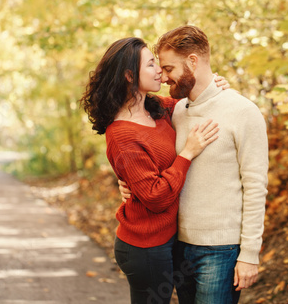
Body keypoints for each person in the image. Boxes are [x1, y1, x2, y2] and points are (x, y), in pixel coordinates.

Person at [120, 26, 269, 304]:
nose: (162, 77)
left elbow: (255, 188)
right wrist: (129, 183)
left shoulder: (243, 112)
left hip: (221, 250)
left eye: (168, 68)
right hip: (178, 245)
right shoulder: (175, 110)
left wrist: (249, 255)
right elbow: (148, 155)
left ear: (192, 62)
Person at [80, 37, 229, 304]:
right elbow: (155, 196)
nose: (159, 69)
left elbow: (192, 105)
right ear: (128, 75)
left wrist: (215, 85)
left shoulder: (156, 108)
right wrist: (187, 153)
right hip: (145, 246)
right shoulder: (122, 134)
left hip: (168, 238)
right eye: (151, 64)